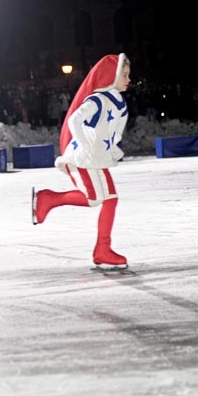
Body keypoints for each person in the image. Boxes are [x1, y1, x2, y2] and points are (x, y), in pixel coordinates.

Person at [31, 53, 131, 270]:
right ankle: (48, 199)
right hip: (83, 159)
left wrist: (114, 147)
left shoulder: (118, 102)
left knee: (110, 199)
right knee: (96, 199)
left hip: (96, 159)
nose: (128, 79)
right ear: (110, 76)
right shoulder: (97, 100)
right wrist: (84, 145)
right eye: (124, 75)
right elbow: (75, 119)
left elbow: (113, 131)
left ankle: (103, 249)